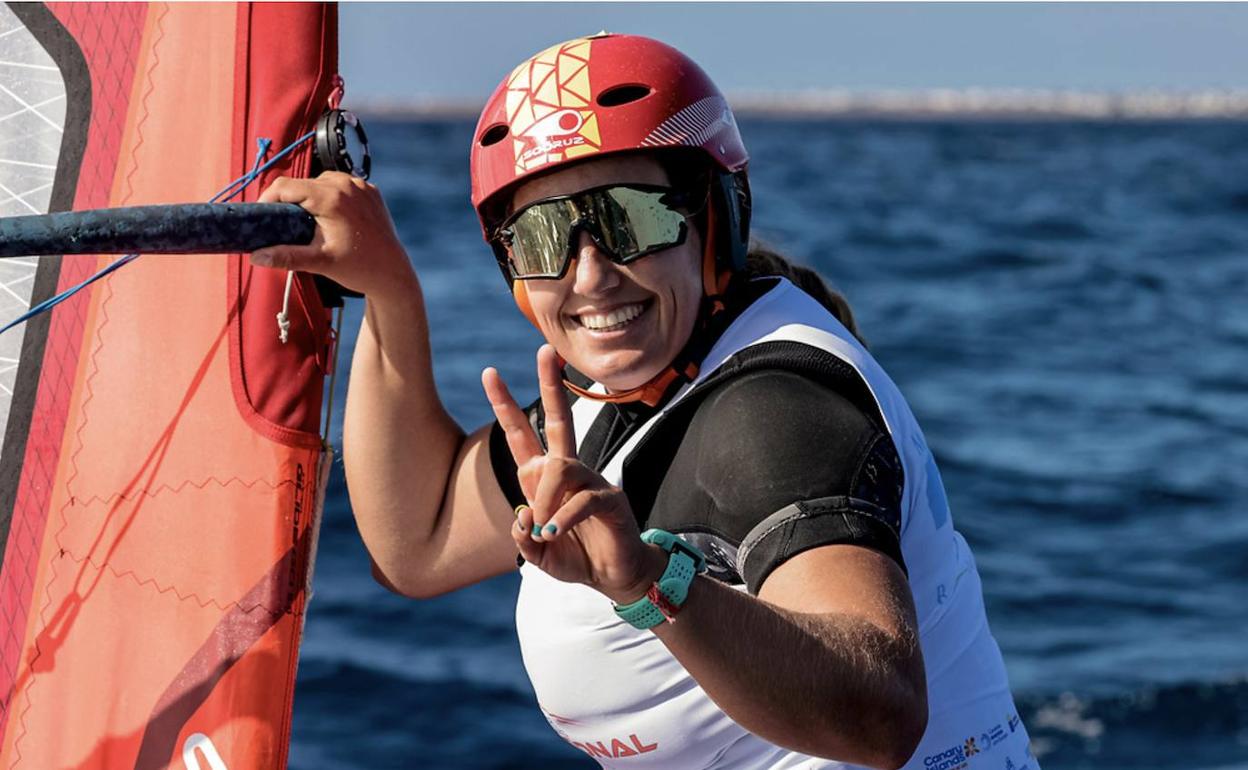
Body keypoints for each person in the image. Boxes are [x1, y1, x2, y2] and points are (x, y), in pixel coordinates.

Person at [253, 33, 1036, 770]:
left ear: (712, 222)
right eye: (544, 237)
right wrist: (388, 288)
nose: (590, 275)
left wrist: (648, 584)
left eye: (632, 219)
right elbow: (419, 543)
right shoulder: (620, 391)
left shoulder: (772, 412)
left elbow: (882, 716)